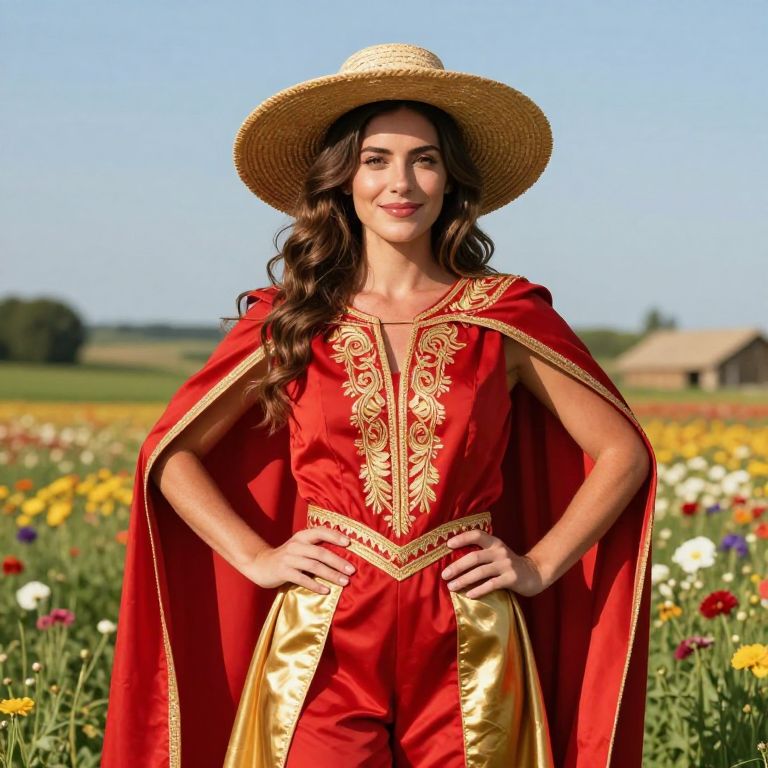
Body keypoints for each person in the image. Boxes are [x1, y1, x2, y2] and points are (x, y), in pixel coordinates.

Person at [101, 43, 657, 768]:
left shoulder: (504, 315)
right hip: (322, 635)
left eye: (424, 159)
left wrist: (540, 566)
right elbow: (172, 453)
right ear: (342, 179)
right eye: (375, 160)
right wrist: (257, 556)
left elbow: (624, 452)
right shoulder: (293, 317)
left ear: (451, 178)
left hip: (469, 632)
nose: (402, 182)